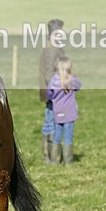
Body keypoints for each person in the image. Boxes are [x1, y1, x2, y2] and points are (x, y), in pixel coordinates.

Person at [38, 19, 66, 163]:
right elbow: (49, 72)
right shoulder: (52, 49)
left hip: (52, 91)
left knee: (51, 121)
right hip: (54, 92)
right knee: (52, 123)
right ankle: (52, 157)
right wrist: (58, 91)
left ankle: (50, 156)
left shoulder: (53, 46)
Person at [46, 56, 82, 165]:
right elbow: (79, 86)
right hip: (70, 113)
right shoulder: (72, 80)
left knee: (57, 135)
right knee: (68, 136)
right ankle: (68, 161)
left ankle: (55, 160)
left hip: (58, 112)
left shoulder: (53, 81)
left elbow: (49, 94)